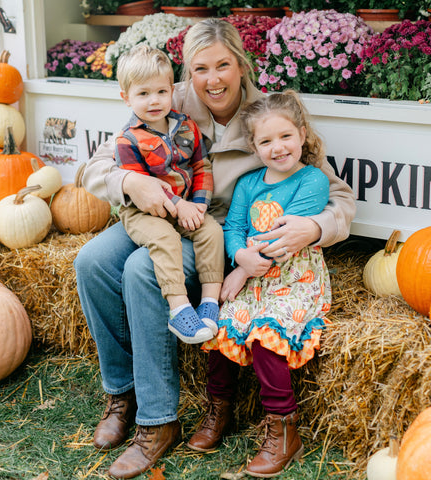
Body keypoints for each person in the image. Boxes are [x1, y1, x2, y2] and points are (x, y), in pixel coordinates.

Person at [73, 18, 356, 480]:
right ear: (186, 72)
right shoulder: (168, 97)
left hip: (218, 233)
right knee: (92, 262)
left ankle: (158, 422)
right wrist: (129, 181)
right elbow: (99, 164)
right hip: (159, 212)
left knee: (144, 270)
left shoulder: (269, 116)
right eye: (201, 68)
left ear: (241, 65)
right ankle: (122, 393)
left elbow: (340, 197)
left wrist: (314, 226)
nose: (214, 79)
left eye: (224, 65)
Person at [192, 90, 332, 478]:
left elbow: (284, 239)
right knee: (220, 328)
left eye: (285, 136)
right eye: (266, 141)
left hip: (293, 275)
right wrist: (237, 257)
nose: (278, 147)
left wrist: (241, 270)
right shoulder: (250, 183)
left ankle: (284, 427)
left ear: (302, 134)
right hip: (254, 272)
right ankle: (219, 409)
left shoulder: (312, 180)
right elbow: (234, 227)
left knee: (266, 333)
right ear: (254, 147)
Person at [114, 44, 224, 344]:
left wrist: (199, 206)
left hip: (186, 205)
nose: (154, 101)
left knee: (212, 231)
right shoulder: (128, 139)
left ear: (172, 91)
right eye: (143, 94)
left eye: (161, 92)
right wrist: (179, 206)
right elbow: (145, 186)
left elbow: (201, 165)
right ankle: (179, 308)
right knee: (165, 239)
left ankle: (210, 303)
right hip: (144, 211)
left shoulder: (186, 127)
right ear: (126, 97)